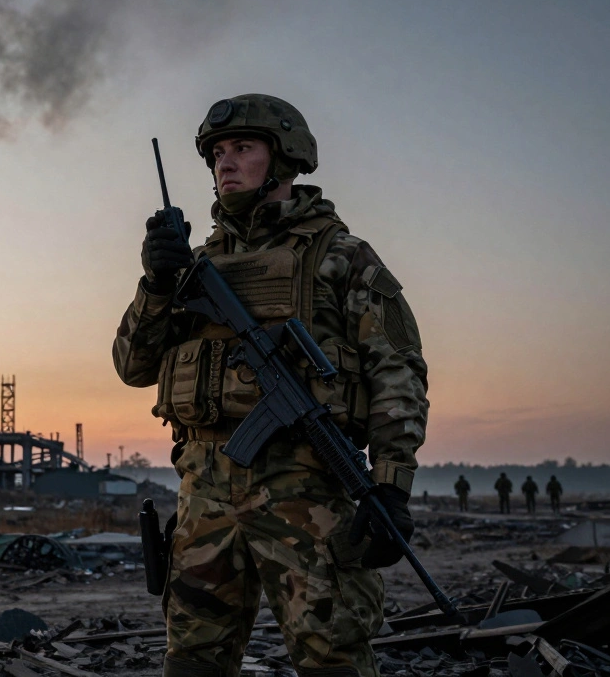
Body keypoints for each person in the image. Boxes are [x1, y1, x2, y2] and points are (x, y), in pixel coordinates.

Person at [113, 94, 429, 677]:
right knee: (192, 662)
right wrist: (156, 284)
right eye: (217, 153)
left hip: (305, 488)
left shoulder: (341, 257)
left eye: (242, 148)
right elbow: (133, 366)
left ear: (282, 160)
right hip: (203, 494)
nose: (224, 163)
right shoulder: (192, 267)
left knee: (332, 656)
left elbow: (398, 372)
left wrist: (390, 485)